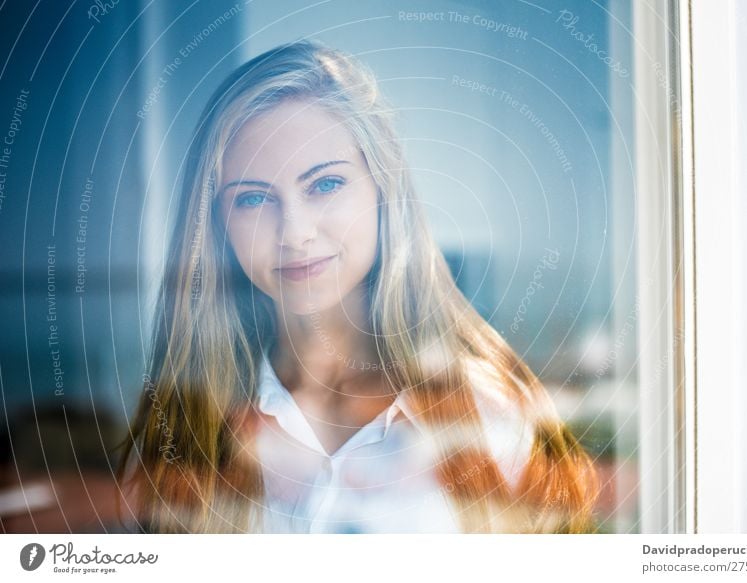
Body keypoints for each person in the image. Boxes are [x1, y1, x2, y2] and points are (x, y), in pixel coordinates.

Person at [115, 39, 599, 534]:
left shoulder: (489, 413)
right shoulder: (183, 433)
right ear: (218, 224)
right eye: (254, 199)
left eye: (325, 184)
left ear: (383, 191)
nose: (295, 232)